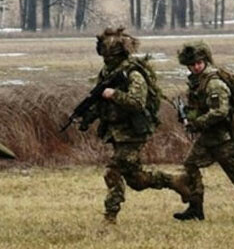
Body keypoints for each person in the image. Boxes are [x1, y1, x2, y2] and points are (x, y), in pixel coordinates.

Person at [74, 27, 189, 223]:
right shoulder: (108, 72)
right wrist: (87, 117)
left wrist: (114, 94)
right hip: (117, 132)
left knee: (113, 171)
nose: (104, 56)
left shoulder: (133, 73)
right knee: (137, 180)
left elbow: (137, 102)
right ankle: (176, 181)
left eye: (106, 53)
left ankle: (110, 216)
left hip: (133, 132)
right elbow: (100, 101)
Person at [172, 41, 234, 222]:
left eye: (198, 63)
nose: (195, 67)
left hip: (224, 137)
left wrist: (197, 123)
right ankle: (195, 207)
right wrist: (189, 116)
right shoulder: (198, 81)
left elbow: (220, 112)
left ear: (205, 61)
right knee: (190, 165)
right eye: (191, 65)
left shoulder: (214, 83)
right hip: (209, 136)